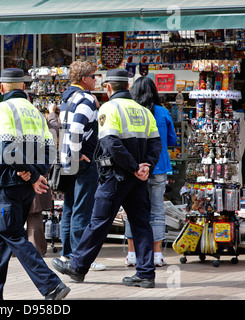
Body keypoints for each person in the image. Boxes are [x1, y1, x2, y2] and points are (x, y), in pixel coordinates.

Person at [52, 68, 162, 288]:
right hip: (138, 178)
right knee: (141, 224)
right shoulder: (143, 110)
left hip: (115, 176)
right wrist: (145, 166)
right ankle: (146, 274)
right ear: (128, 87)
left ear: (109, 87)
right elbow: (156, 143)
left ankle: (77, 266)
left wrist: (132, 167)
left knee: (98, 221)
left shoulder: (109, 108)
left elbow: (111, 142)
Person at [0, 68, 70, 300]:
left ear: (3, 87)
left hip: (9, 182)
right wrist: (36, 173)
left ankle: (51, 285)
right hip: (26, 185)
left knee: (12, 233)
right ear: (24, 87)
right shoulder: (35, 112)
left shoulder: (1, 107)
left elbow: (6, 147)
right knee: (2, 235)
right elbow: (50, 149)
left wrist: (30, 173)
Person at [124, 76, 177, 267]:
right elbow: (172, 141)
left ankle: (132, 254)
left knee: (133, 210)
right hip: (159, 167)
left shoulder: (131, 112)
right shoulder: (163, 112)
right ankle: (156, 255)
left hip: (136, 168)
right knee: (157, 211)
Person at [58, 60, 105, 271]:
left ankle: (67, 253)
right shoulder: (85, 99)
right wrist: (76, 155)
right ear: (85, 79)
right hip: (82, 160)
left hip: (67, 160)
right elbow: (76, 128)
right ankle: (80, 257)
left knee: (69, 207)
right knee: (82, 210)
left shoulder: (67, 98)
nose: (96, 80)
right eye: (94, 76)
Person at [27, 103, 59, 256]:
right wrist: (52, 113)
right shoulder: (36, 116)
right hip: (36, 169)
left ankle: (12, 248)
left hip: (14, 169)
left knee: (14, 212)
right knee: (34, 213)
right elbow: (53, 133)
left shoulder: (8, 115)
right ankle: (36, 249)